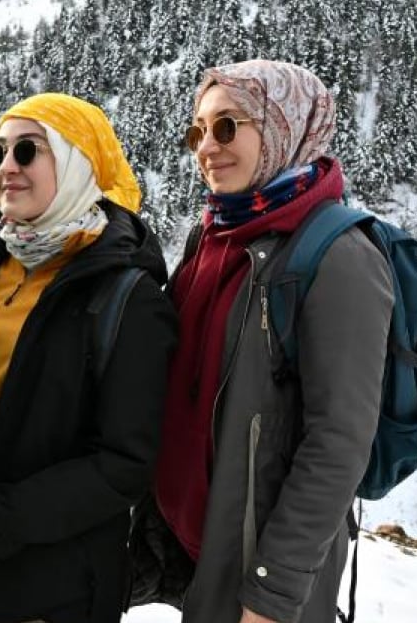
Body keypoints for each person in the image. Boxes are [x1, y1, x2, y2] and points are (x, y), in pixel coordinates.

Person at [0, 93, 177, 623]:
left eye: (29, 152)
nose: (7, 167)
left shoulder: (127, 297)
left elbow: (125, 465)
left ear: (79, 165)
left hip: (51, 582)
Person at [148, 60, 392, 623]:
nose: (208, 146)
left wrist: (273, 593)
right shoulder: (213, 235)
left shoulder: (339, 257)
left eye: (228, 126)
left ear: (284, 126)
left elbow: (339, 443)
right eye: (198, 131)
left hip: (257, 579)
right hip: (198, 554)